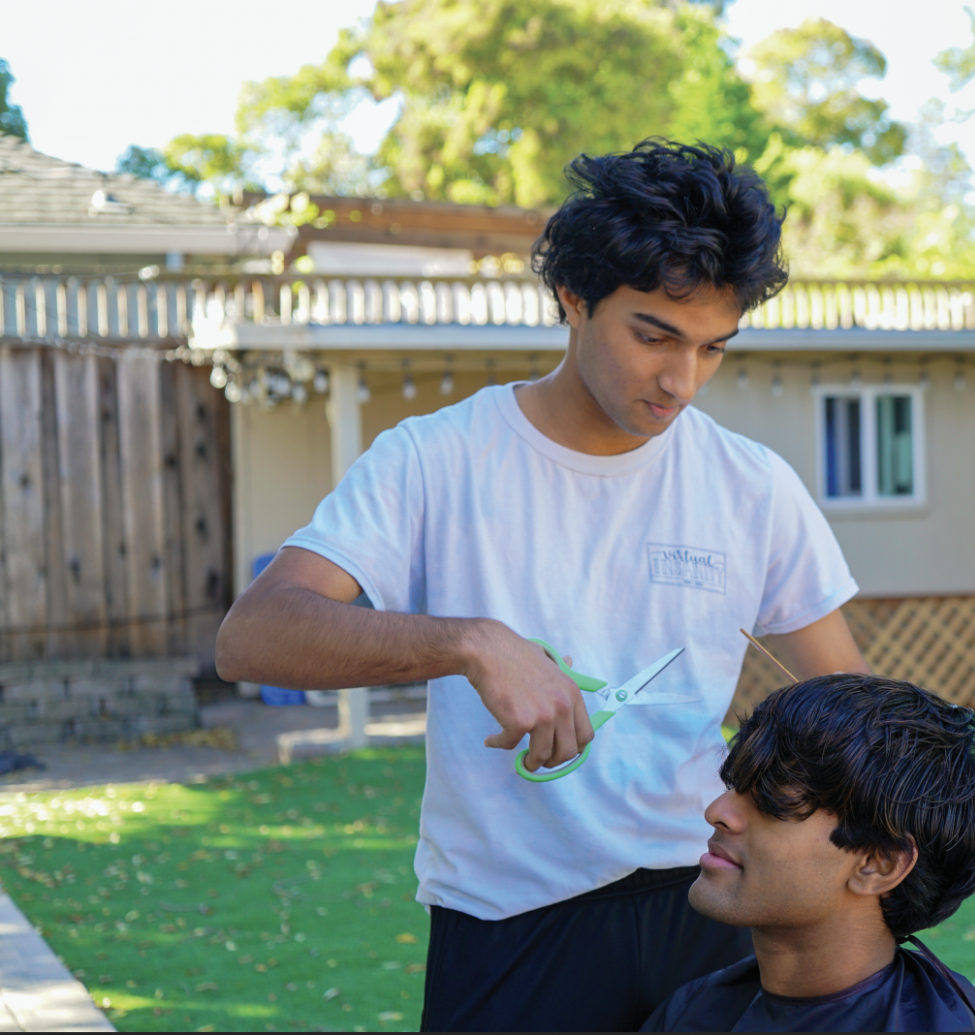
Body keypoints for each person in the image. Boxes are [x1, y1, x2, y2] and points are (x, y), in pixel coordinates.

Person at [215, 140, 868, 1032]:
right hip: (508, 922)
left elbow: (849, 705)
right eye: (654, 336)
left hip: (713, 905)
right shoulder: (435, 458)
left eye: (714, 347)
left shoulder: (752, 485)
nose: (682, 380)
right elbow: (254, 636)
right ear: (573, 298)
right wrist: (469, 641)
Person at [642, 674, 975, 1032]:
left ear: (877, 864)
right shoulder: (689, 1011)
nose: (717, 812)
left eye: (772, 802)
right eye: (736, 783)